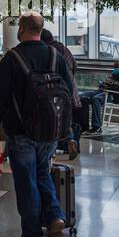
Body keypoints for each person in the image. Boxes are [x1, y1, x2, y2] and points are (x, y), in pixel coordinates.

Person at [0, 13, 76, 237]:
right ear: (40, 29)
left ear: (22, 30)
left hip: (22, 131)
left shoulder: (12, 58)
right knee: (43, 174)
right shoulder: (56, 56)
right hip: (51, 132)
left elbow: (0, 99)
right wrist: (68, 131)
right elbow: (69, 94)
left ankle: (32, 236)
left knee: (26, 183)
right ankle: (55, 216)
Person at [40, 29, 82, 160]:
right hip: (70, 92)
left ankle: (51, 152)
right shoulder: (64, 49)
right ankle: (70, 140)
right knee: (64, 120)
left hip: (53, 92)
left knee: (52, 120)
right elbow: (74, 66)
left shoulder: (48, 52)